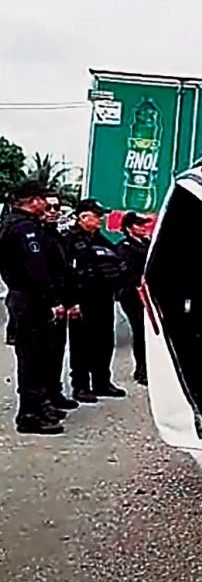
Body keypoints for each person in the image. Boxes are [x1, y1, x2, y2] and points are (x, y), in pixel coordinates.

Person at [0, 180, 66, 434]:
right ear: (32, 200)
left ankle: (39, 406)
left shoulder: (22, 224)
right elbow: (37, 269)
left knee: (40, 356)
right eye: (42, 199)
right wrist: (53, 301)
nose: (46, 204)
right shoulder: (23, 227)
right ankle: (29, 415)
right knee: (32, 358)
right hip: (30, 300)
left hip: (27, 298)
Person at [65, 199, 127, 403]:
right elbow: (65, 273)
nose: (100, 219)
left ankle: (102, 382)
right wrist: (71, 301)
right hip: (83, 299)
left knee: (104, 341)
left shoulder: (101, 240)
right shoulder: (70, 240)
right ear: (82, 217)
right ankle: (81, 386)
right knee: (82, 344)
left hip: (103, 298)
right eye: (97, 215)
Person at [39, 195, 80, 411]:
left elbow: (66, 271)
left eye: (57, 207)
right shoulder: (36, 235)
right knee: (43, 354)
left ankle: (55, 393)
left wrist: (71, 301)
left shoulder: (58, 236)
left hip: (62, 300)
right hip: (45, 303)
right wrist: (53, 301)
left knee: (57, 351)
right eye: (49, 207)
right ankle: (44, 399)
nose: (53, 211)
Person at [115, 212, 152, 385]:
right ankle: (141, 369)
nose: (143, 228)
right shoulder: (125, 247)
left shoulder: (147, 244)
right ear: (129, 228)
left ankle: (149, 366)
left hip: (150, 294)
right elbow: (127, 273)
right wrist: (139, 283)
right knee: (140, 331)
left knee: (149, 333)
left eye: (144, 224)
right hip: (133, 294)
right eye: (139, 224)